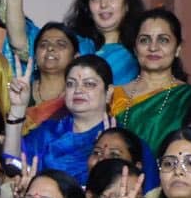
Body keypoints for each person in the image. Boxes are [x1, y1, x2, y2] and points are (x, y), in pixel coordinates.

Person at [111, 9, 191, 153]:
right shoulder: (113, 95)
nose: (153, 47)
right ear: (135, 49)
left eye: (163, 40)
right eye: (144, 40)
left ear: (177, 49)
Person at [10, 55, 116, 186]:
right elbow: (12, 164)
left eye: (89, 84)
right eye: (71, 84)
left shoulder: (119, 142)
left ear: (109, 92)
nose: (78, 90)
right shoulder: (48, 132)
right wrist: (17, 108)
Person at [63, 0, 145, 85]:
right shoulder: (75, 44)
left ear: (127, 3)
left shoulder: (140, 49)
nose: (103, 4)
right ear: (87, 7)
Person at [17, 24, 87, 130]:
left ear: (76, 57)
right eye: (43, 45)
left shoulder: (82, 96)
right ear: (35, 56)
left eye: (61, 44)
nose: (50, 48)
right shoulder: (19, 94)